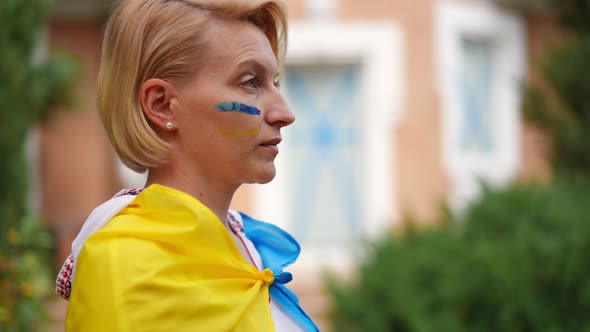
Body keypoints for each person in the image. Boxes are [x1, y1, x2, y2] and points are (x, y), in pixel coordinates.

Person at [55, 0, 319, 331]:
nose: (285, 112)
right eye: (251, 82)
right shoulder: (125, 262)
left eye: (275, 83)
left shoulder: (252, 248)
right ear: (162, 105)